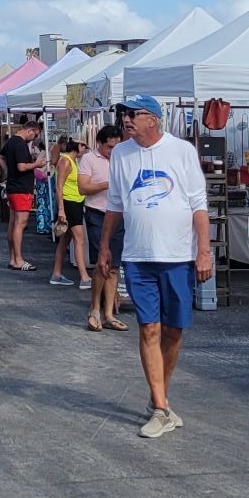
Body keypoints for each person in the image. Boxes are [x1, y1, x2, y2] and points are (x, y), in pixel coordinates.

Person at [99, 94, 212, 439]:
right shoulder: (120, 154)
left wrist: (204, 250)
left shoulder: (181, 151)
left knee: (174, 331)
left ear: (154, 119)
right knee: (149, 327)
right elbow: (115, 203)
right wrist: (104, 246)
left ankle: (157, 397)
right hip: (138, 256)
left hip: (178, 256)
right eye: (124, 115)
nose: (127, 120)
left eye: (133, 114)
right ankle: (161, 407)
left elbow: (198, 204)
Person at [81, 126, 127, 331]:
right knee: (102, 263)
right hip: (97, 213)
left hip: (119, 215)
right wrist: (109, 184)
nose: (113, 150)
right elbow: (83, 187)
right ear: (100, 143)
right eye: (110, 147)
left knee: (115, 265)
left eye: (117, 146)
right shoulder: (89, 159)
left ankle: (108, 313)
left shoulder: (123, 159)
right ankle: (94, 309)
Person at [50, 137, 91, 288]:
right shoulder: (66, 161)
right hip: (69, 203)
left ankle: (56, 273)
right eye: (84, 146)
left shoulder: (72, 161)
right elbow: (59, 186)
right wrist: (61, 209)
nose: (85, 149)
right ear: (78, 146)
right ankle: (84, 277)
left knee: (65, 241)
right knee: (79, 240)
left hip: (75, 202)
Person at [1, 118, 39, 271]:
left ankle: (13, 258)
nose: (34, 138)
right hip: (21, 188)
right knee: (20, 223)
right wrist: (37, 164)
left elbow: (0, 156)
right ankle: (18, 259)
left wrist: (7, 171)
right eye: (35, 135)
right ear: (30, 131)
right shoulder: (21, 144)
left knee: (13, 222)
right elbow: (22, 167)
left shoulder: (11, 142)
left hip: (13, 186)